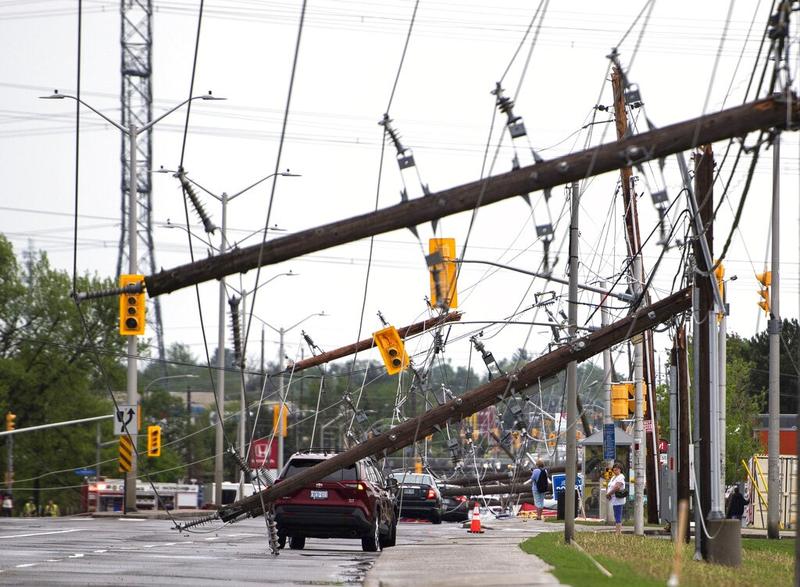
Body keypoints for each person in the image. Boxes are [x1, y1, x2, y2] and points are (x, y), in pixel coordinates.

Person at [605, 462, 626, 534]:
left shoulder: (621, 477)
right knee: (616, 514)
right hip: (614, 499)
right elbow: (611, 486)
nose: (615, 471)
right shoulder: (614, 477)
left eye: (616, 470)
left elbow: (616, 487)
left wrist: (609, 494)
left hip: (618, 499)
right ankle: (617, 531)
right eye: (614, 470)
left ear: (620, 470)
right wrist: (609, 494)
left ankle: (618, 532)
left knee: (618, 515)